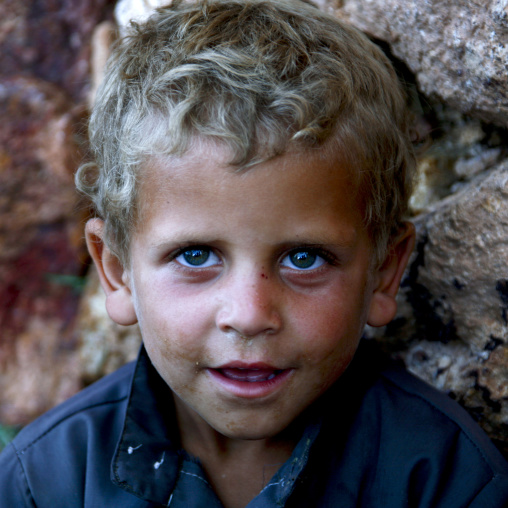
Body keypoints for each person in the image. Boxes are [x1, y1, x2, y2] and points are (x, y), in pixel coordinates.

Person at [1, 0, 508, 506]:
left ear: (383, 272)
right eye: (196, 256)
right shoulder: (45, 483)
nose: (248, 316)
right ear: (116, 271)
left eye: (304, 258)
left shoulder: (445, 482)